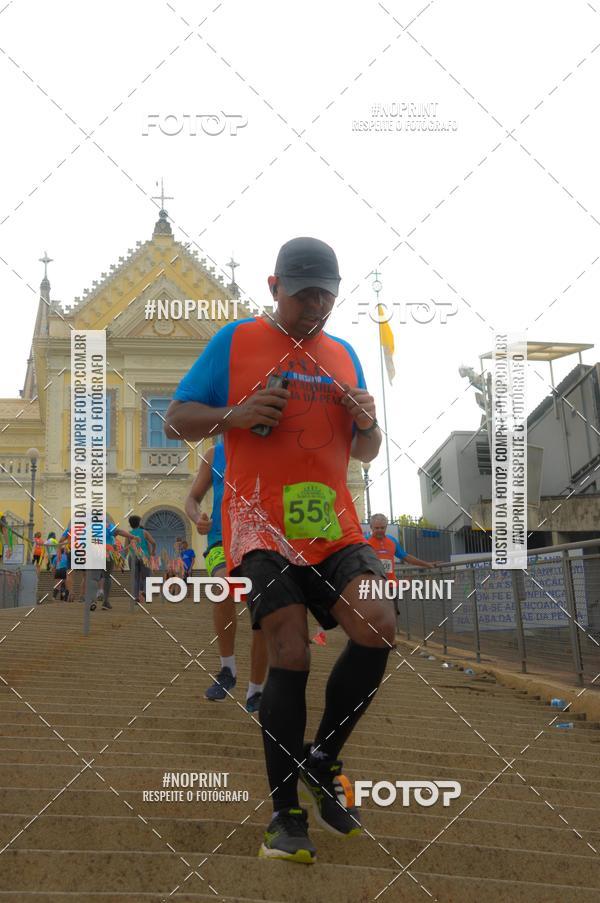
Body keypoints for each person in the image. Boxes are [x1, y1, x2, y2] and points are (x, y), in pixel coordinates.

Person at [165, 236, 395, 865]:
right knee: (289, 644)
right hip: (258, 523)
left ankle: (322, 757)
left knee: (378, 622)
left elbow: (366, 451)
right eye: (303, 295)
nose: (315, 306)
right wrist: (234, 416)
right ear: (274, 288)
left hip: (334, 525)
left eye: (326, 294)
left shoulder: (344, 354)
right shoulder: (235, 343)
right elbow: (175, 418)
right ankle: (284, 813)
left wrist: (369, 422)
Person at [185, 440, 268, 712]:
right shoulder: (215, 454)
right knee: (222, 587)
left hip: (263, 540)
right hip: (221, 540)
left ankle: (256, 689)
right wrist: (198, 518)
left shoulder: (275, 447)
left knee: (265, 609)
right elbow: (192, 498)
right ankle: (227, 669)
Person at [366, 513, 435, 576]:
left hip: (390, 584)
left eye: (382, 528)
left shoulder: (392, 540)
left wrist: (427, 564)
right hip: (371, 585)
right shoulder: (364, 541)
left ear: (386, 526)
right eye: (377, 528)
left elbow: (406, 557)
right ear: (371, 527)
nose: (380, 530)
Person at [126, 515, 157, 604]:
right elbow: (153, 543)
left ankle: (136, 598)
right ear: (139, 523)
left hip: (133, 556)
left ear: (130, 524)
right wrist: (152, 552)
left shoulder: (128, 533)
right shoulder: (144, 532)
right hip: (144, 556)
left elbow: (126, 548)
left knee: (135, 578)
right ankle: (146, 595)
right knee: (146, 578)